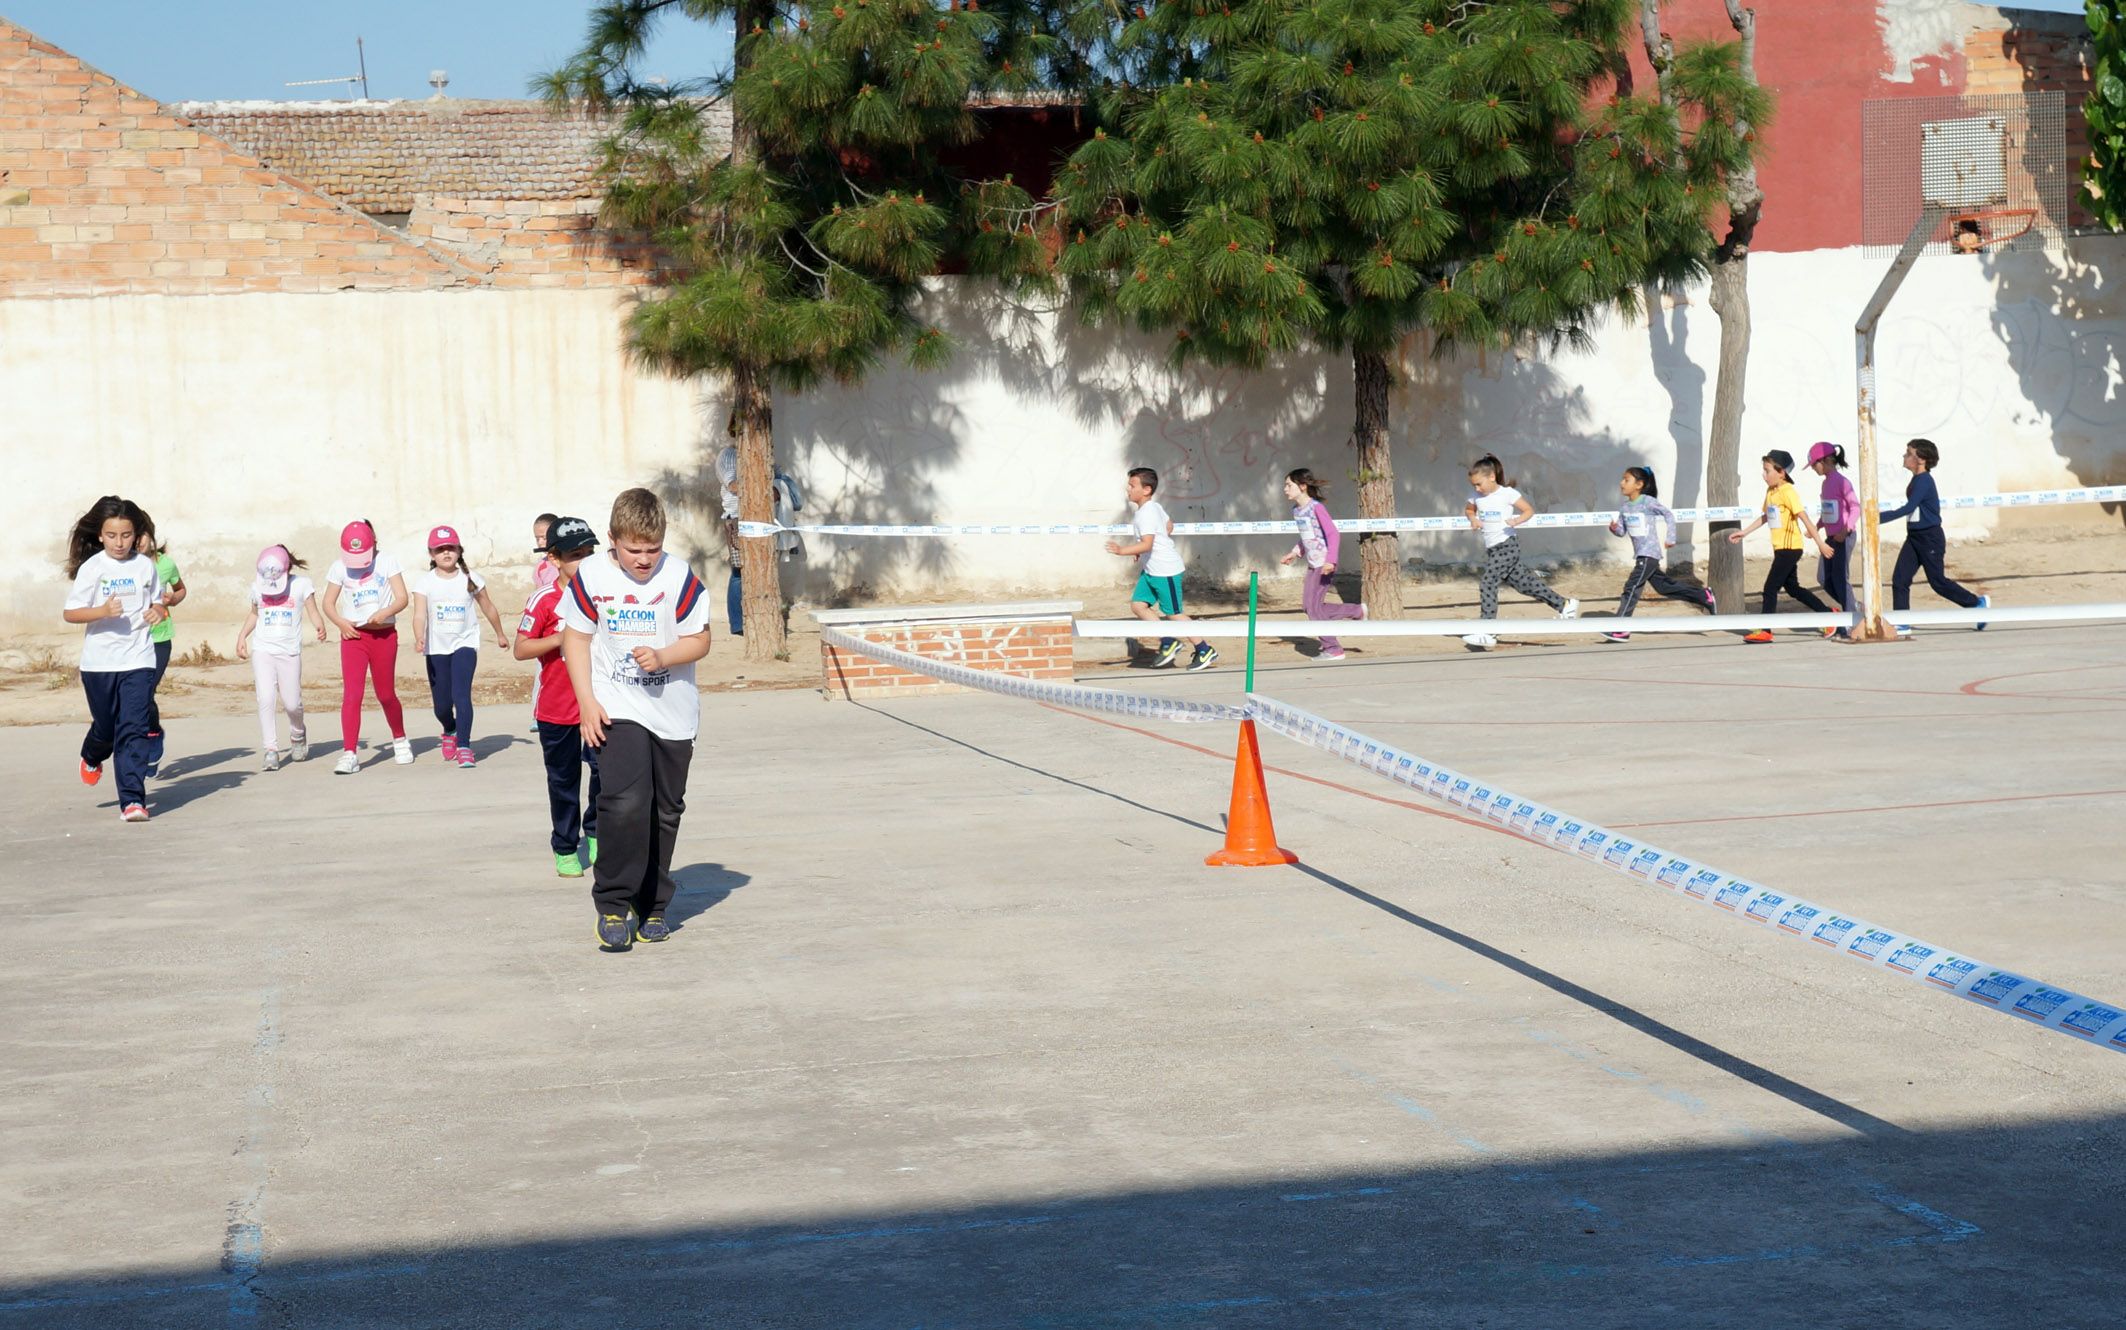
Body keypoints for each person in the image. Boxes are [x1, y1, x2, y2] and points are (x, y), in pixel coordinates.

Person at [561, 487, 713, 951]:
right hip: (616, 703)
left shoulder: (680, 576)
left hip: (673, 710)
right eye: (633, 550)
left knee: (665, 810)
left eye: (652, 549)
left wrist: (665, 655)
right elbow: (576, 639)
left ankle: (653, 905)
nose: (644, 560)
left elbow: (700, 640)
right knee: (624, 800)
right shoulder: (591, 575)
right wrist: (587, 701)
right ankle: (612, 902)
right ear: (612, 540)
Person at [62, 495, 166, 822]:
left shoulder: (145, 566)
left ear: (136, 534)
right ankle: (92, 754)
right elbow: (71, 613)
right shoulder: (92, 568)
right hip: (99, 663)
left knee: (132, 728)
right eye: (111, 536)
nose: (119, 543)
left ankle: (133, 801)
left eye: (125, 535)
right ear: (99, 536)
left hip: (138, 658)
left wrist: (158, 612)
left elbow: (160, 601)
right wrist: (103, 611)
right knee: (106, 729)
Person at [516, 516, 603, 878]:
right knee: (564, 781)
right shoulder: (545, 599)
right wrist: (562, 638)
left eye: (588, 553)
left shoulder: (604, 594)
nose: (583, 561)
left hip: (600, 705)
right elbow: (521, 649)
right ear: (553, 559)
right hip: (557, 710)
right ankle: (565, 845)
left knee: (605, 773)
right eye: (574, 555)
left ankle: (597, 831)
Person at [322, 519, 414, 774]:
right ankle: (349, 752)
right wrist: (340, 623)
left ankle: (400, 738)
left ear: (373, 543)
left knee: (385, 694)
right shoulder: (338, 567)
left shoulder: (387, 561)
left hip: (384, 637)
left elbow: (402, 597)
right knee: (352, 695)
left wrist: (386, 612)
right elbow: (328, 603)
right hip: (354, 638)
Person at [413, 524, 508, 768]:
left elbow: (487, 606)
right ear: (431, 554)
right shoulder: (425, 582)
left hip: (464, 643)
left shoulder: (471, 578)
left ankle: (464, 745)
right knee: (442, 705)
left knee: (461, 695)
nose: (446, 553)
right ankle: (450, 729)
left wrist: (500, 634)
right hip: (436, 648)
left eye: (451, 548)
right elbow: (419, 614)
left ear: (459, 551)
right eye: (440, 549)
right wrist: (419, 636)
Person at [1461, 454, 1578, 652]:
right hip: (1493, 549)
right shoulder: (1476, 498)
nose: (1476, 489)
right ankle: (1565, 604)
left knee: (1488, 582)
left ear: (1491, 477)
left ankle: (1487, 630)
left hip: (1507, 546)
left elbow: (1528, 510)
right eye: (1474, 485)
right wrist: (1473, 519)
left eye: (1479, 484)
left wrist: (1516, 521)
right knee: (1525, 585)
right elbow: (1469, 510)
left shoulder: (1507, 493)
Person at [1105, 466, 1217, 671]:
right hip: (1151, 570)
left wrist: (1124, 550)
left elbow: (1148, 542)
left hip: (1165, 571)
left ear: (1146, 490)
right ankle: (1168, 642)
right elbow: (1168, 525)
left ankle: (1204, 649)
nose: (1127, 489)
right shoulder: (1153, 508)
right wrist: (1146, 548)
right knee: (1138, 606)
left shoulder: (1146, 513)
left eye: (1132, 485)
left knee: (1174, 613)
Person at [1879, 438, 1989, 636]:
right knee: (1899, 580)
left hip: (1930, 538)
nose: (1904, 456)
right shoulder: (1916, 479)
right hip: (1914, 537)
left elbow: (1909, 508)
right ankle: (1902, 622)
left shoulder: (1924, 481)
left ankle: (1977, 602)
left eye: (1908, 453)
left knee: (1937, 582)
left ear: (1920, 459)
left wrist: (1877, 518)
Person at [1726, 449, 1835, 644]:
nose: (1764, 475)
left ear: (1781, 472)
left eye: (1767, 471)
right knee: (1793, 589)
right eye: (1764, 470)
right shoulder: (1770, 492)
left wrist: (1820, 544)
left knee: (1770, 588)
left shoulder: (1788, 491)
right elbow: (1766, 517)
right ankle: (1828, 614)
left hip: (1790, 548)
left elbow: (1804, 518)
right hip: (1780, 548)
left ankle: (1765, 630)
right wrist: (1745, 533)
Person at [235, 545, 326, 770]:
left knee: (292, 703)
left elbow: (312, 610)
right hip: (263, 650)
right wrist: (242, 636)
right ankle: (271, 750)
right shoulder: (258, 586)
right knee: (265, 699)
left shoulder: (301, 585)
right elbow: (254, 613)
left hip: (289, 651)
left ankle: (298, 733)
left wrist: (319, 625)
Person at [1600, 467, 1712, 642]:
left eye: (1626, 480)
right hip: (1641, 555)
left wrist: (1671, 537)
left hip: (1649, 554)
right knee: (1664, 587)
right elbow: (1622, 531)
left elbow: (1668, 514)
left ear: (1639, 485)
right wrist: (1614, 529)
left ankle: (1621, 628)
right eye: (1622, 479)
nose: (1622, 483)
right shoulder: (1624, 508)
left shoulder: (1647, 502)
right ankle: (1703, 596)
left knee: (1631, 587)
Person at [1276, 468, 1366, 659]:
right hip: (1312, 563)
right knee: (1309, 607)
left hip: (1324, 564)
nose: (1285, 489)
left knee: (1314, 609)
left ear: (1302, 486)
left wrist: (1330, 561)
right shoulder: (1297, 511)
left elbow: (1333, 534)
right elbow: (1307, 537)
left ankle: (1333, 649)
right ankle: (1356, 610)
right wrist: (1294, 553)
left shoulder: (1317, 508)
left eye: (1288, 485)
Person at [136, 525, 184, 775]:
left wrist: (171, 600)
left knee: (146, 692)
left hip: (160, 639)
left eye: (139, 536)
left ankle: (153, 736)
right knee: (137, 697)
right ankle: (145, 739)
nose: (136, 542)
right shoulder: (126, 565)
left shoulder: (166, 564)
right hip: (133, 639)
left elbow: (180, 589)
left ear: (150, 537)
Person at [1809, 443, 1861, 639]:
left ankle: (1849, 623)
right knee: (1824, 578)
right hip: (1831, 538)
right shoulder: (1825, 483)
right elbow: (1829, 510)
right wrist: (1818, 525)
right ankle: (1853, 607)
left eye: (1814, 465)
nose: (1813, 469)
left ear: (1825, 461)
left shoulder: (1842, 482)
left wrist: (1845, 530)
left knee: (1840, 578)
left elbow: (1855, 508)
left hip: (1844, 537)